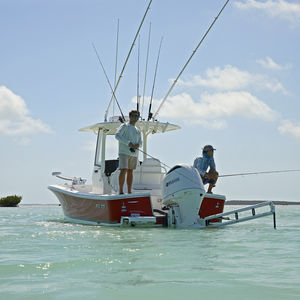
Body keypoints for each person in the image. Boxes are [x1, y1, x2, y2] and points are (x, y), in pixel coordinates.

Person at [115, 110, 142, 194]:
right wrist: (128, 143)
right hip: (124, 153)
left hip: (134, 154)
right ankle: (121, 191)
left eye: (137, 116)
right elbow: (117, 135)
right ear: (130, 116)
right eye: (133, 115)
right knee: (124, 170)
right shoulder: (124, 126)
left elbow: (140, 143)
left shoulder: (138, 130)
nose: (135, 117)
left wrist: (138, 145)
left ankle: (129, 191)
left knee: (130, 171)